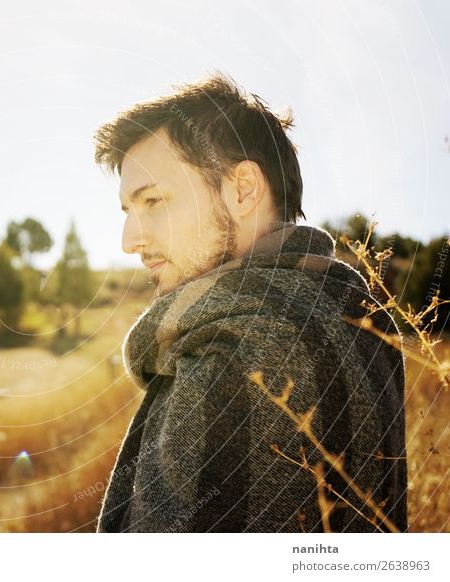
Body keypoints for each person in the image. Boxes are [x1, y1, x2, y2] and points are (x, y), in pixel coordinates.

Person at [93, 71, 408, 532]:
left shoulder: (230, 349)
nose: (129, 240)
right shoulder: (366, 326)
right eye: (127, 210)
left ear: (242, 189)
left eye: (154, 201)